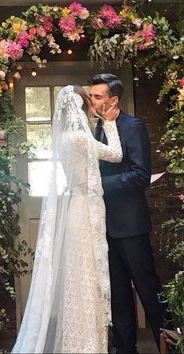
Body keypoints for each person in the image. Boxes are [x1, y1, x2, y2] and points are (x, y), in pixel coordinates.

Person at [12, 85, 123, 353]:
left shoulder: (65, 137)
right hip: (84, 214)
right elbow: (116, 154)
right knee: (87, 281)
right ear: (80, 106)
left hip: (79, 207)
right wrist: (109, 124)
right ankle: (85, 345)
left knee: (83, 279)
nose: (93, 106)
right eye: (89, 101)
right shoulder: (78, 138)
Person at [90, 73, 169, 354]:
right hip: (105, 227)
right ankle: (125, 349)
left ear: (114, 100)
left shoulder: (133, 127)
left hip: (132, 226)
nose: (92, 101)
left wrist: (98, 185)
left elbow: (139, 176)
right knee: (118, 294)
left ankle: (172, 343)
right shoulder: (96, 129)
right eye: (91, 96)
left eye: (97, 96)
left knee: (148, 289)